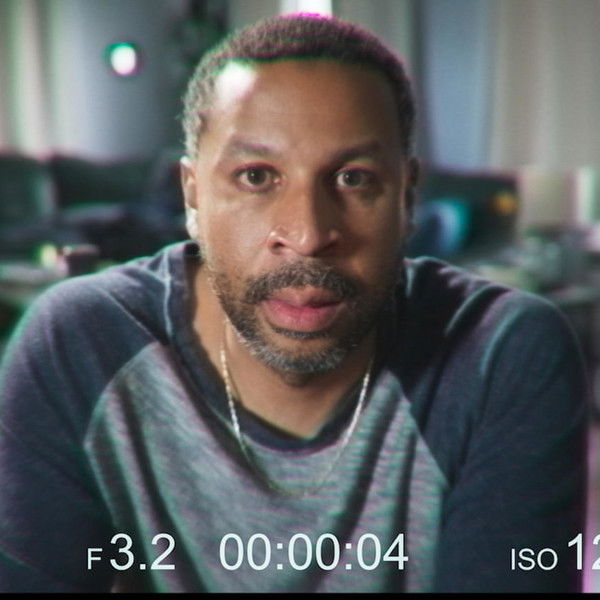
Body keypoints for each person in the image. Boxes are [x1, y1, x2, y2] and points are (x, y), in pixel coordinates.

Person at [0, 13, 589, 593]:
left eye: (354, 178)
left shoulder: (498, 354)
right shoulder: (80, 345)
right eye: (257, 177)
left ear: (407, 198)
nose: (307, 234)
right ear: (193, 197)